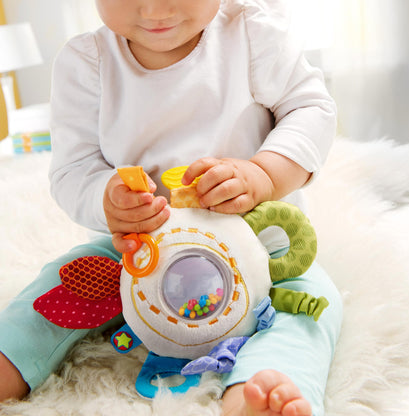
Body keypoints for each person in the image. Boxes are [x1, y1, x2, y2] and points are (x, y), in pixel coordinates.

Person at [0, 0, 343, 415]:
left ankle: (257, 389)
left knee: (310, 304)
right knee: (65, 282)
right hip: (138, 257)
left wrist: (264, 174)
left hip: (260, 253)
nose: (153, 10)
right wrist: (105, 199)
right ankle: (10, 359)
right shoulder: (87, 63)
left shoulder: (252, 34)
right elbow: (74, 168)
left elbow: (311, 110)